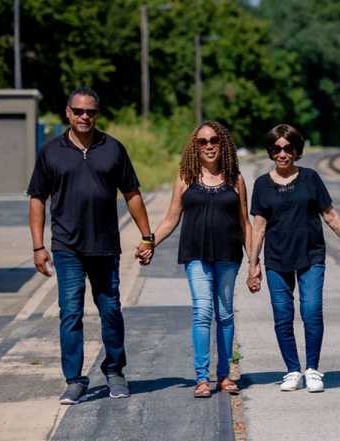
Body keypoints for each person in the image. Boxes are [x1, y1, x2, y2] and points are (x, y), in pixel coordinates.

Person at [28, 87, 154, 405]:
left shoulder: (112, 148)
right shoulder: (51, 151)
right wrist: (37, 246)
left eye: (91, 112)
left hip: (105, 247)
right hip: (66, 247)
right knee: (70, 313)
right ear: (67, 113)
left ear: (97, 114)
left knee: (110, 311)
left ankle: (114, 371)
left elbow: (132, 193)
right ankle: (74, 380)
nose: (85, 117)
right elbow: (37, 199)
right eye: (79, 111)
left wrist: (147, 236)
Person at [246, 124, 340, 393]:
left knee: (311, 311)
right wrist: (252, 265)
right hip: (276, 259)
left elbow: (330, 216)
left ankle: (312, 369)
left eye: (288, 148)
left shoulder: (310, 178)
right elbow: (259, 227)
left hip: (311, 255)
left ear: (296, 150)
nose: (283, 153)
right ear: (271, 152)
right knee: (282, 316)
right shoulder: (262, 185)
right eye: (277, 149)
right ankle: (292, 370)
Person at [146, 121, 251, 398]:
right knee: (203, 312)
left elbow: (245, 225)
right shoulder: (185, 178)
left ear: (223, 143)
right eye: (202, 142)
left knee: (225, 314)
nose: (209, 146)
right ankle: (202, 378)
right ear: (195, 146)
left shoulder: (235, 180)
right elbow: (171, 219)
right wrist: (150, 242)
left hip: (228, 255)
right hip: (196, 255)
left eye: (214, 140)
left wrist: (255, 262)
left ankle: (225, 375)